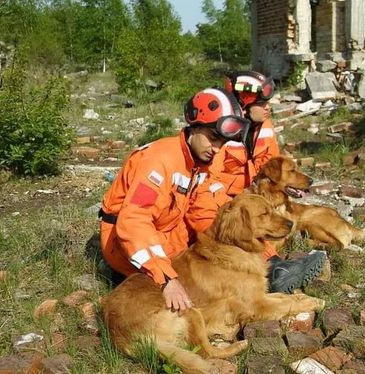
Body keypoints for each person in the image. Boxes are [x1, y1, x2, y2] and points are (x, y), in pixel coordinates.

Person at [98, 88, 251, 312]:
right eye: (213, 139)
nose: (217, 149)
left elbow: (204, 209)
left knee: (219, 254)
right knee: (194, 286)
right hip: (124, 242)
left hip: (166, 230)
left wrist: (240, 240)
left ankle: (273, 268)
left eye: (223, 143)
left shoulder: (199, 162)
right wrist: (166, 279)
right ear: (194, 127)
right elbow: (134, 222)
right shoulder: (159, 161)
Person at [186, 71, 326, 294]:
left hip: (250, 198)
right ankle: (273, 271)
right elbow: (205, 194)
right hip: (221, 205)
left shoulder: (262, 126)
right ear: (244, 103)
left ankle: (273, 264)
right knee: (240, 225)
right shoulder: (217, 135)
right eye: (261, 103)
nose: (268, 107)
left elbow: (273, 167)